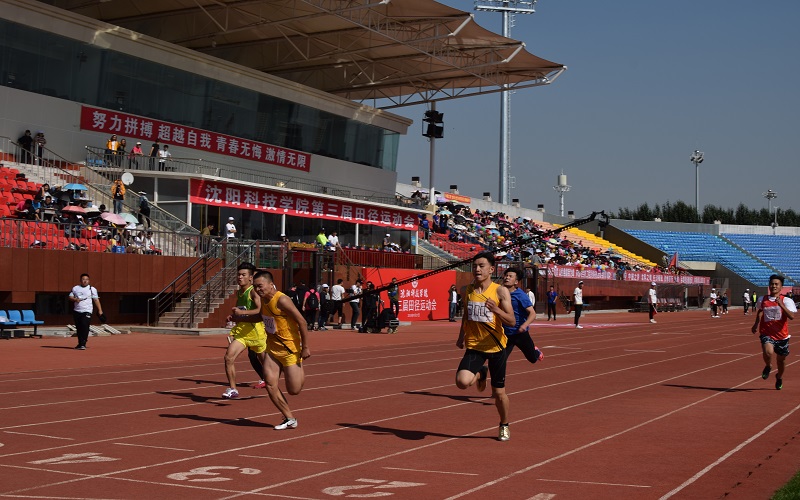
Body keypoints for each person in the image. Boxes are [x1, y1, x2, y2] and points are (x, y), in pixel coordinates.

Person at [233, 271, 311, 430]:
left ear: (270, 284)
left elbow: (302, 322)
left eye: (260, 286)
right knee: (269, 383)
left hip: (290, 349)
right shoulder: (263, 300)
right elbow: (260, 317)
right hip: (272, 349)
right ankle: (289, 417)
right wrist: (240, 317)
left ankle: (299, 367)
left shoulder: (282, 300)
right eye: (255, 287)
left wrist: (306, 347)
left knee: (294, 390)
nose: (258, 289)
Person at [455, 252, 516, 441]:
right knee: (462, 382)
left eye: (481, 266)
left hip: (497, 347)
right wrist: (461, 336)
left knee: (499, 394)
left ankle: (504, 424)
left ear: (491, 269)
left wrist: (496, 310)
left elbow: (512, 321)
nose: (477, 269)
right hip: (475, 346)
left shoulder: (500, 291)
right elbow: (467, 315)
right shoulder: (469, 289)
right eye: (475, 266)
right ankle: (481, 372)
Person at [222, 263, 267, 399]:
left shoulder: (253, 291)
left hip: (256, 332)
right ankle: (233, 389)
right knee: (228, 357)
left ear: (251, 278)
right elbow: (241, 309)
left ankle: (274, 379)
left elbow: (260, 310)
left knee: (268, 364)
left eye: (243, 275)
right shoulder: (239, 292)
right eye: (239, 274)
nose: (240, 277)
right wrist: (234, 316)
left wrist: (242, 312)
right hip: (242, 332)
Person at [751, 275, 796, 390]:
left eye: (776, 284)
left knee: (781, 361)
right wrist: (756, 323)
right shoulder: (762, 299)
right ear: (769, 285)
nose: (774, 286)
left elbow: (791, 316)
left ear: (781, 287)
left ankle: (779, 377)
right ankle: (768, 366)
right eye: (772, 284)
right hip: (767, 333)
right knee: (768, 352)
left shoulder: (787, 300)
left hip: (782, 336)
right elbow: (760, 311)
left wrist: (781, 304)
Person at [502, 267, 544, 364]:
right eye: (506, 275)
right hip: (505, 333)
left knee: (532, 359)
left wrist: (524, 325)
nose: (507, 278)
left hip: (520, 332)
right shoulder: (500, 292)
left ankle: (536, 352)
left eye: (510, 276)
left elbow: (532, 313)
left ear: (516, 281)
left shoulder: (520, 295)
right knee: (500, 360)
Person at [68, 273, 105, 350]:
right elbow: (70, 296)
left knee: (84, 325)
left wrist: (100, 310)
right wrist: (75, 299)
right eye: (83, 279)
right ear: (80, 280)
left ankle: (83, 343)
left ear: (89, 280)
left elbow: (96, 300)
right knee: (79, 327)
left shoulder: (92, 289)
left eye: (87, 279)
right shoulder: (75, 288)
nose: (85, 281)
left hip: (87, 310)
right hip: (77, 311)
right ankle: (80, 343)